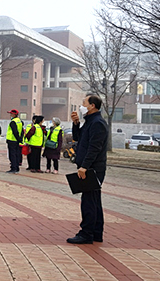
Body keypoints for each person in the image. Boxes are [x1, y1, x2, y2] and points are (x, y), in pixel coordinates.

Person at [67, 94, 108, 244]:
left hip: (92, 169)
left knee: (89, 201)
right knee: (94, 200)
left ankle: (86, 233)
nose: (81, 106)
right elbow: (79, 138)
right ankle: (96, 232)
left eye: (84, 103)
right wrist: (76, 123)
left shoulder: (97, 123)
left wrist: (84, 166)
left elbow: (94, 148)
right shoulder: (90, 122)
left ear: (92, 106)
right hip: (89, 167)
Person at [6, 109, 24, 174]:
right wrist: (20, 139)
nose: (10, 115)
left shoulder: (13, 122)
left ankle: (13, 168)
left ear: (14, 115)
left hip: (12, 140)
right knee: (16, 154)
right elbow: (21, 131)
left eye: (11, 114)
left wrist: (17, 138)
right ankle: (16, 168)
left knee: (12, 155)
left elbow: (15, 131)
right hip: (16, 141)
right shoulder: (19, 121)